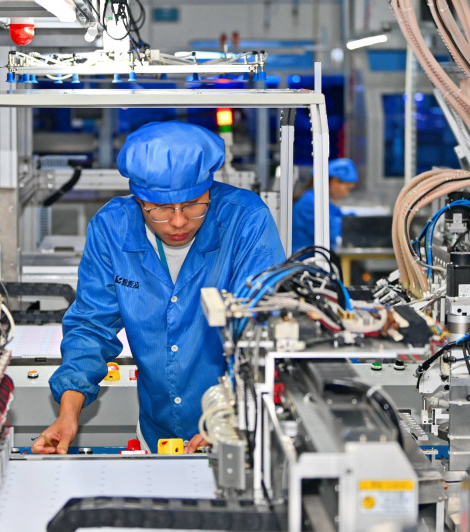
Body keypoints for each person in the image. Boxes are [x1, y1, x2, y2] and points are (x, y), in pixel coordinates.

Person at [32, 121, 286, 455]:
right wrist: (68, 413)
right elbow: (91, 328)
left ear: (210, 188)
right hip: (159, 432)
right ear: (139, 199)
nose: (179, 221)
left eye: (194, 204)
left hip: (238, 431)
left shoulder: (245, 221)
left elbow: (262, 329)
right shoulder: (113, 228)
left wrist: (229, 418)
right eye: (162, 209)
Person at [291, 158, 358, 253]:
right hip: (305, 261)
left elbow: (339, 216)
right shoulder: (310, 202)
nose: (347, 194)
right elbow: (332, 232)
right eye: (347, 189)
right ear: (335, 181)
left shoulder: (318, 199)